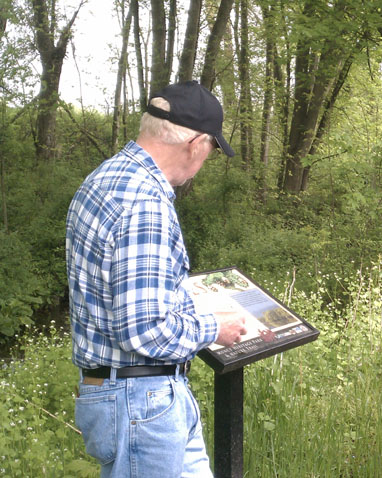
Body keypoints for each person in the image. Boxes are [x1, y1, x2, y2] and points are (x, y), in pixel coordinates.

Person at [66, 80, 248, 477]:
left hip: (127, 395)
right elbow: (144, 331)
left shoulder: (105, 178)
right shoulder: (146, 203)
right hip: (141, 403)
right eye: (211, 151)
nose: (205, 161)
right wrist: (214, 327)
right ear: (196, 143)